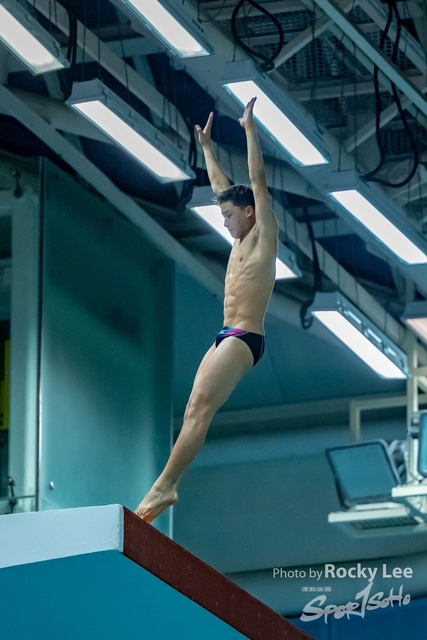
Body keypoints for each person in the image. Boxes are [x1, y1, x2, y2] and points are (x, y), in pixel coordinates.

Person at [134, 97, 279, 523]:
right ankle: (166, 484)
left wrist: (249, 130)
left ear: (250, 212)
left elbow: (257, 180)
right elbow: (221, 189)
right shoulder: (238, 238)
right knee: (192, 408)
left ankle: (166, 486)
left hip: (245, 337)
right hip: (226, 334)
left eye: (230, 216)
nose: (225, 222)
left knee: (200, 409)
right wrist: (207, 149)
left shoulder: (263, 234)